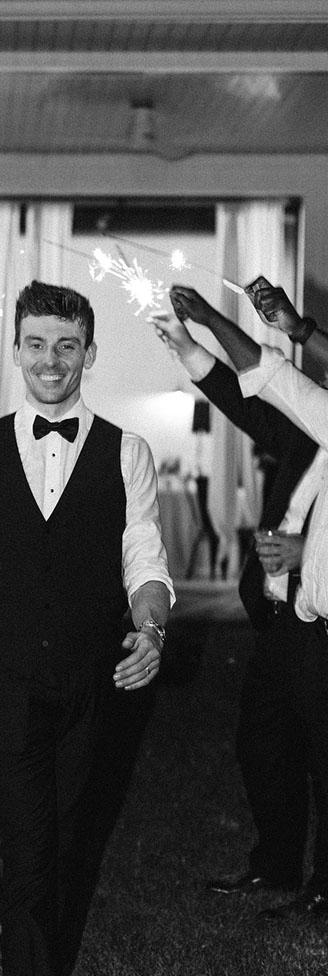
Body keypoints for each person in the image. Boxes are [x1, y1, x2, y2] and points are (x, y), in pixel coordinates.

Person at [0, 280, 174, 976]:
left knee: (69, 850)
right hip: (5, 682)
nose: (51, 361)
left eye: (67, 346)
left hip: (90, 684)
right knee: (28, 859)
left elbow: (145, 561)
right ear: (15, 350)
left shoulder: (129, 451)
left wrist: (150, 631)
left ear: (88, 353)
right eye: (36, 344)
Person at [148, 288, 323, 901]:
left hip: (321, 623)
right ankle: (274, 865)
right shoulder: (310, 431)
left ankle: (323, 888)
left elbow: (269, 372)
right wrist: (191, 349)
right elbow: (252, 396)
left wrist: (310, 556)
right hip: (280, 619)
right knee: (263, 742)